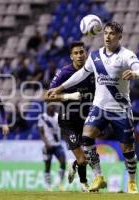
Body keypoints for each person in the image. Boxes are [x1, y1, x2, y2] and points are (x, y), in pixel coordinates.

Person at [48, 22, 139, 193]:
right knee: (86, 138)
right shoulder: (95, 56)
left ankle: (131, 181)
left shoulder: (126, 55)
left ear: (119, 37)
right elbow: (80, 74)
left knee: (127, 149)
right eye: (105, 33)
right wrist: (61, 88)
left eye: (112, 34)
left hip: (120, 109)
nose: (107, 36)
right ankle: (99, 177)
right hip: (99, 107)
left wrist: (134, 73)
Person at [44, 41, 94, 192]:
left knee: (87, 157)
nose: (79, 55)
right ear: (71, 56)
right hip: (68, 121)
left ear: (85, 54)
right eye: (76, 53)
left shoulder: (92, 72)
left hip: (86, 120)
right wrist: (69, 96)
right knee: (83, 159)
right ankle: (84, 184)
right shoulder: (64, 73)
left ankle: (74, 165)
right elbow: (47, 96)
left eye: (81, 52)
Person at [38, 104, 66, 191]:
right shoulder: (42, 117)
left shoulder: (58, 116)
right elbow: (41, 132)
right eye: (50, 107)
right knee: (47, 165)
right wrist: (46, 143)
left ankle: (59, 182)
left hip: (57, 144)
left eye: (53, 107)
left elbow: (63, 129)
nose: (52, 108)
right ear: (47, 108)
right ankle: (48, 186)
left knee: (63, 162)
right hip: (48, 145)